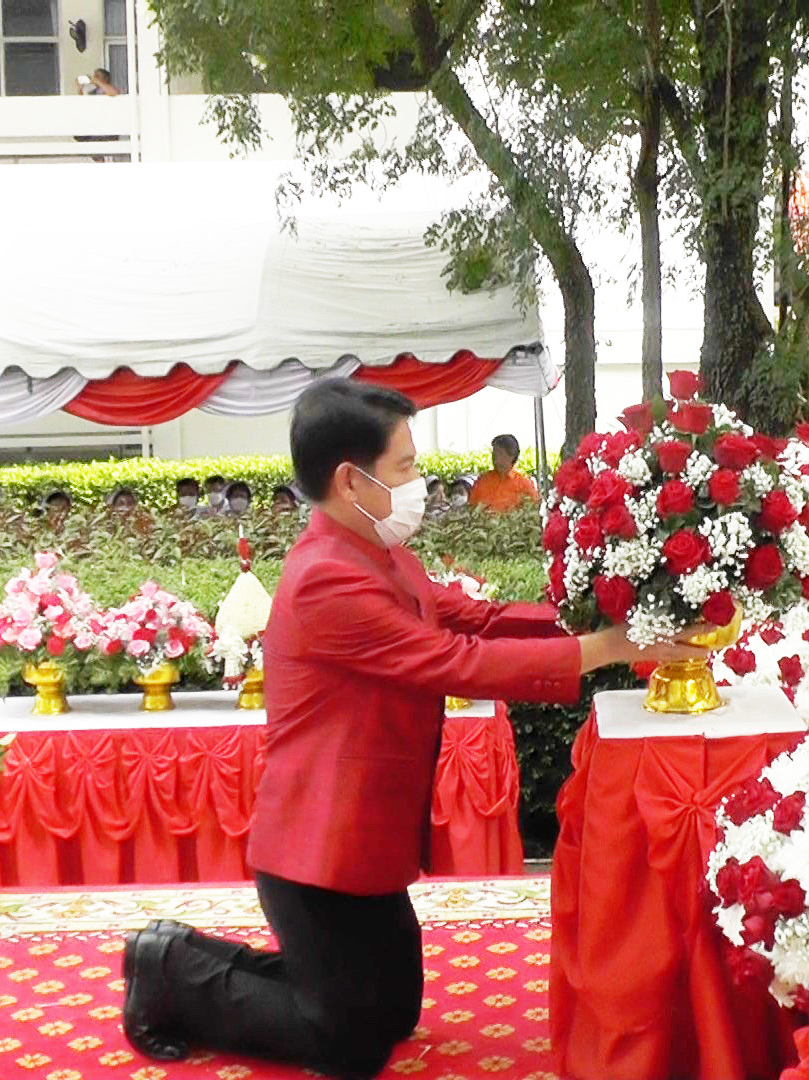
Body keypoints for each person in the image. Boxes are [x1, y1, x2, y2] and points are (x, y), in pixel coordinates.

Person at [120, 381, 708, 1074]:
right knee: (349, 1044)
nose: (418, 483)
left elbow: (471, 619)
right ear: (350, 480)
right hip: (317, 851)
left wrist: (595, 612)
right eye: (403, 467)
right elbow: (451, 661)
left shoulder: (379, 551)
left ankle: (180, 958)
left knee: (391, 1012)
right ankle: (166, 967)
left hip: (367, 841)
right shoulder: (326, 580)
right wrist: (607, 649)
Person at [467, 434, 538, 512]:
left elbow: (534, 509)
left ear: (511, 455)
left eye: (499, 452)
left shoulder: (524, 484)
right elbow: (471, 507)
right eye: (493, 452)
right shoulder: (483, 480)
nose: (494, 455)